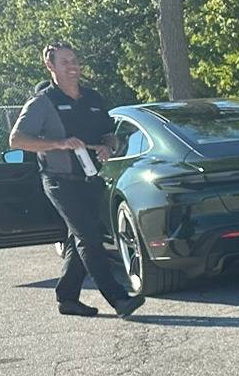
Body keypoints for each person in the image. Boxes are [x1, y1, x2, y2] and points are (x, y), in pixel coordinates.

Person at [9, 43, 143, 319]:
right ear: (51, 67)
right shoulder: (42, 102)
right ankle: (118, 298)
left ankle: (67, 298)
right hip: (60, 181)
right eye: (65, 62)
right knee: (89, 238)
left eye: (75, 60)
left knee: (78, 239)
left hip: (91, 178)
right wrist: (59, 143)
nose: (72, 66)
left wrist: (109, 146)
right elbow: (17, 140)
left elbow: (109, 134)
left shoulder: (93, 98)